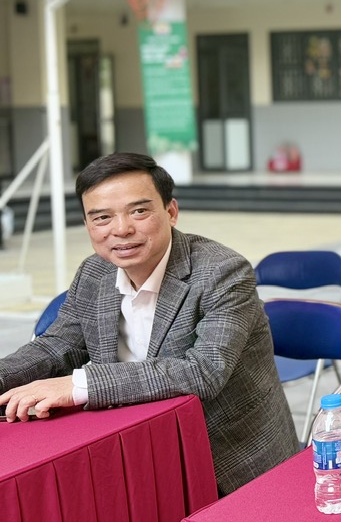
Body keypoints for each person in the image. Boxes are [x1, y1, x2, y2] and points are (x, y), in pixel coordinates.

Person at [0, 152, 297, 495]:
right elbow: (57, 347)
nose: (121, 229)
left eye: (139, 211)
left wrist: (77, 385)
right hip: (138, 447)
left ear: (171, 212)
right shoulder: (94, 272)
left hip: (228, 457)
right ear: (87, 226)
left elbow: (203, 371)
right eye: (102, 217)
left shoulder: (223, 272)